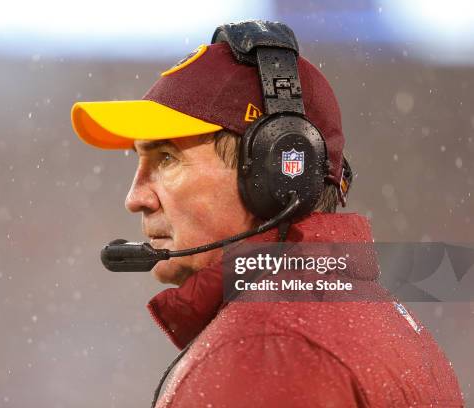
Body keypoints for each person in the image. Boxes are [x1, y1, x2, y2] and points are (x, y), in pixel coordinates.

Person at [70, 21, 463, 408]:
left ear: (275, 173)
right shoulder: (372, 319)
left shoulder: (264, 350)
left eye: (167, 158)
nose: (135, 198)